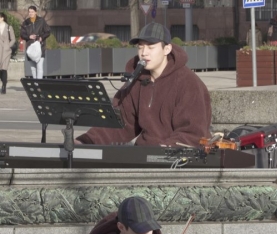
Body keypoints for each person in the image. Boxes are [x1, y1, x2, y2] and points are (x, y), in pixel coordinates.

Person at [75, 22, 212, 147]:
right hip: (143, 154)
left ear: (167, 49)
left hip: (174, 160)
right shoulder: (137, 81)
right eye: (140, 47)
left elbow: (193, 133)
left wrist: (163, 150)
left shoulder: (188, 83)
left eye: (151, 47)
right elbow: (121, 123)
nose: (144, 53)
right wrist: (86, 140)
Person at [20, 5, 50, 79]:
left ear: (36, 12)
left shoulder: (41, 21)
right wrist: (29, 37)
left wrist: (41, 38)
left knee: (39, 67)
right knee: (33, 68)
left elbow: (48, 31)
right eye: (29, 12)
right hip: (30, 48)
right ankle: (35, 83)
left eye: (32, 12)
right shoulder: (25, 23)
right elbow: (22, 34)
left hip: (40, 47)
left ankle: (39, 84)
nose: (30, 13)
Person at [0, 12, 16, 94]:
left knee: (4, 69)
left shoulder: (9, 27)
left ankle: (4, 85)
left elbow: (13, 39)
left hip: (5, 52)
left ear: (2, 18)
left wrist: (8, 46)